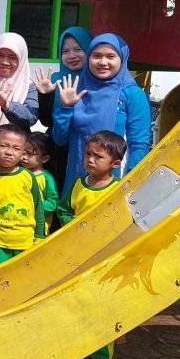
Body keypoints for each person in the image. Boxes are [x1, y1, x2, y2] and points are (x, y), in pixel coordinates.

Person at [57, 130, 126, 359]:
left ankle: (101, 353)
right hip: (78, 254)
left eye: (98, 156)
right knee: (78, 298)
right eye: (88, 154)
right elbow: (64, 209)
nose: (90, 160)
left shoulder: (119, 190)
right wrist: (73, 226)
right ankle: (74, 346)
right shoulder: (79, 184)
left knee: (101, 303)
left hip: (104, 256)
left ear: (115, 164)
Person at [52, 33, 151, 196]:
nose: (103, 62)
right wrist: (65, 107)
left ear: (122, 59)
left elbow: (139, 144)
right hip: (76, 178)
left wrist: (130, 183)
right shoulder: (76, 89)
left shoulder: (132, 94)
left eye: (110, 56)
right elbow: (60, 139)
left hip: (112, 183)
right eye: (96, 56)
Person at [0, 124, 45, 270]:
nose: (9, 152)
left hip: (26, 242)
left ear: (23, 152)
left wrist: (40, 237)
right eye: (4, 146)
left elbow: (38, 209)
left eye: (16, 148)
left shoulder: (28, 176)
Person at [32, 25, 91, 192]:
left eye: (78, 49)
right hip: (59, 150)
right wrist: (45, 96)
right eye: (65, 51)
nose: (71, 56)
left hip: (85, 148)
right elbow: (46, 121)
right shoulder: (55, 79)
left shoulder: (96, 82)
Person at [0, 32, 38, 129]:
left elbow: (31, 118)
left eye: (12, 57)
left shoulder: (28, 86)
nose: (5, 62)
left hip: (15, 142)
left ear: (21, 59)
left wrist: (7, 105)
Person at [24, 132, 59, 234]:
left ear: (45, 158)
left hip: (38, 229)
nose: (24, 157)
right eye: (23, 152)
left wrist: (31, 205)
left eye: (29, 154)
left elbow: (53, 203)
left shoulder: (46, 178)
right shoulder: (18, 173)